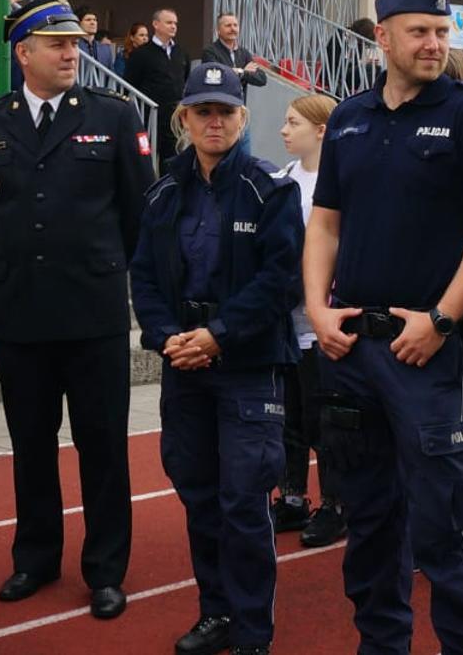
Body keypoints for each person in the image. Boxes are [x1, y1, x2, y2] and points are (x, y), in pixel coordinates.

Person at [303, 0, 463, 655]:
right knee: (370, 522)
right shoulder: (352, 118)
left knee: (448, 528)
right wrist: (317, 309)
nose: (433, 43)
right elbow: (325, 224)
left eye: (442, 32)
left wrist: (443, 319)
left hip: (429, 354)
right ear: (383, 35)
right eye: (419, 31)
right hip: (353, 351)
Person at [0, 0, 153, 618]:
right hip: (21, 312)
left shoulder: (115, 115)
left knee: (102, 447)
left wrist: (100, 268)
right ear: (24, 52)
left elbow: (136, 213)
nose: (73, 53)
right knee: (31, 445)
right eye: (58, 44)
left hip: (92, 311)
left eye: (74, 42)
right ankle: (35, 558)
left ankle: (105, 568)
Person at [129, 63, 301, 655]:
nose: (214, 121)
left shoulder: (268, 189)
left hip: (247, 367)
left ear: (242, 118)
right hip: (184, 366)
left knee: (245, 503)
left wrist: (218, 335)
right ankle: (216, 613)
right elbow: (145, 277)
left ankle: (253, 631)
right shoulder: (163, 192)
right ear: (183, 119)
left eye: (225, 111)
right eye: (202, 111)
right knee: (199, 495)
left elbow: (281, 281)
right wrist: (166, 335)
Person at [267, 93, 347, 549]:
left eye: (292, 122)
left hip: (324, 321)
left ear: (320, 130)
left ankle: (335, 503)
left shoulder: (339, 185)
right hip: (288, 323)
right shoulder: (282, 180)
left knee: (327, 420)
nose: (283, 130)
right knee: (289, 417)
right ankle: (293, 495)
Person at [124, 7, 192, 162]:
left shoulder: (181, 53)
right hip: (150, 117)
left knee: (173, 159)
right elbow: (130, 84)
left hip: (175, 117)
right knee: (147, 159)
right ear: (156, 24)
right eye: (169, 22)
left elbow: (185, 79)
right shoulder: (141, 54)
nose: (173, 26)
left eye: (175, 23)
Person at [201, 13, 269, 90]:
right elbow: (217, 76)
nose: (233, 29)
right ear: (218, 30)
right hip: (218, 100)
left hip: (238, 100)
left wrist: (241, 73)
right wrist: (243, 71)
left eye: (235, 25)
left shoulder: (244, 53)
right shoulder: (210, 51)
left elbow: (262, 79)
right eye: (228, 25)